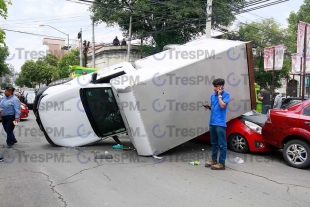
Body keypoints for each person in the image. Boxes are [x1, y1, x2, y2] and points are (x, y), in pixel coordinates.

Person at [203, 78, 230, 170]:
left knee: (222, 144)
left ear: (221, 86)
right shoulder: (212, 96)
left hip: (220, 123)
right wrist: (209, 107)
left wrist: (219, 95)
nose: (214, 88)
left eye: (216, 86)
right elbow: (215, 107)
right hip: (212, 122)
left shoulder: (226, 95)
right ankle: (214, 160)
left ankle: (221, 163)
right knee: (214, 143)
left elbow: (222, 106)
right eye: (214, 86)